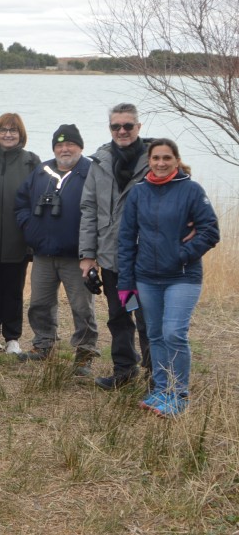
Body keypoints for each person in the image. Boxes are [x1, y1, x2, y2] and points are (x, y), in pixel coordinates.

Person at [119, 139, 219, 417]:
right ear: (148, 161)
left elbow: (211, 231)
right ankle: (161, 390)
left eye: (167, 158)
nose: (161, 163)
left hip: (182, 277)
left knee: (174, 333)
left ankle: (179, 394)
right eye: (156, 158)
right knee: (155, 335)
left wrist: (181, 254)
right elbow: (126, 240)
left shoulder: (191, 190)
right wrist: (125, 283)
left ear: (176, 160)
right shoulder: (138, 193)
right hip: (146, 278)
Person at [79, 102, 152, 389]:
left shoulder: (155, 159)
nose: (122, 131)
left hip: (145, 261)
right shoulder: (100, 161)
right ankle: (124, 370)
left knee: (147, 322)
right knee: (119, 317)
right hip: (111, 261)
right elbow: (88, 209)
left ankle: (155, 375)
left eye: (128, 126)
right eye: (116, 126)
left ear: (138, 127)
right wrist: (87, 256)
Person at [15, 124, 98, 373]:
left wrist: (91, 252)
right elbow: (21, 202)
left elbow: (101, 211)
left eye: (70, 144)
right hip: (43, 253)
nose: (65, 149)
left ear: (80, 147)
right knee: (39, 303)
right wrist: (29, 227)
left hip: (77, 256)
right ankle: (43, 344)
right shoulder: (42, 171)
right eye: (59, 145)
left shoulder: (91, 172)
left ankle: (85, 352)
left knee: (82, 307)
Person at [0, 113, 40, 357]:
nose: (8, 134)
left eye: (13, 130)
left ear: (21, 134)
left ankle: (12, 337)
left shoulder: (31, 162)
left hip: (18, 239)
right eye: (4, 130)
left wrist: (33, 237)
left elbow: (37, 202)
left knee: (14, 290)